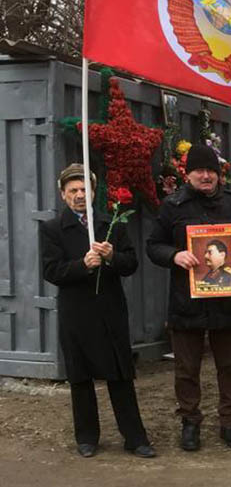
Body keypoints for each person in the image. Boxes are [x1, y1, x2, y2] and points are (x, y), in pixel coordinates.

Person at [146, 143, 231, 451]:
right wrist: (174, 255)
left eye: (211, 170)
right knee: (186, 369)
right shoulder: (173, 206)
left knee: (230, 367)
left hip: (227, 300)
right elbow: (153, 246)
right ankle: (190, 423)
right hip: (187, 301)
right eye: (199, 171)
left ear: (219, 174)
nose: (206, 176)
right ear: (188, 174)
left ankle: (230, 424)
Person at [41, 164, 155, 458]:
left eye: (84, 189)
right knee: (80, 377)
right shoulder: (53, 229)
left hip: (109, 310)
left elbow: (131, 264)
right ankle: (87, 437)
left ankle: (135, 438)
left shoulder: (111, 223)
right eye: (73, 191)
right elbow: (51, 271)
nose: (79, 195)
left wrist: (112, 255)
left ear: (93, 192)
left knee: (120, 376)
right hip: (76, 314)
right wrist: (82, 265)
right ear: (63, 194)